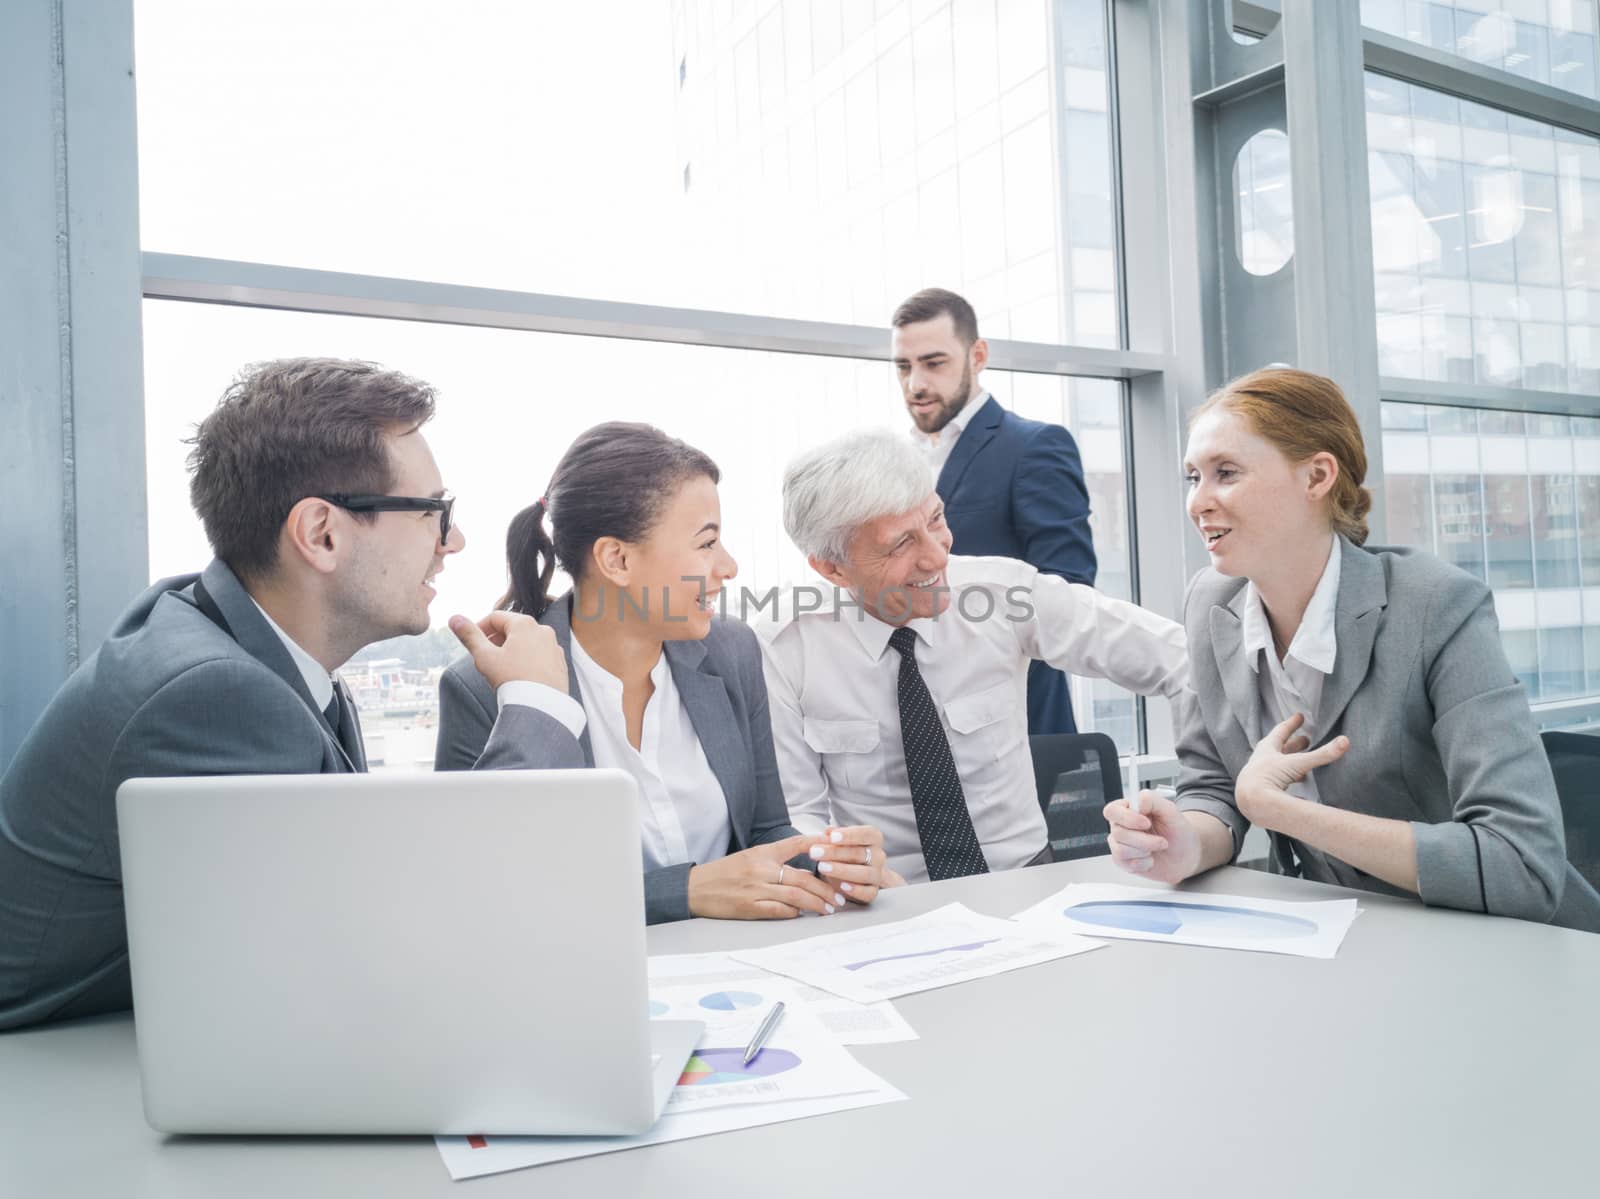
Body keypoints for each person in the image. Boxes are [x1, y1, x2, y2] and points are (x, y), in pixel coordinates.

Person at [0, 358, 572, 1031]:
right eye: (432, 512)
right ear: (321, 534)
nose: (454, 541)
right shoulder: (214, 695)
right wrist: (535, 705)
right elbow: (408, 950)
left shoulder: (239, 641)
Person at [1104, 367, 1600, 931]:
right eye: (1193, 477)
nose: (1199, 502)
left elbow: (1521, 864)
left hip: (1502, 946)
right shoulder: (1208, 604)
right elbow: (1216, 785)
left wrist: (1281, 811)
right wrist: (1185, 840)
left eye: (1226, 473)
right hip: (1342, 938)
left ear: (1316, 476)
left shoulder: (1437, 607)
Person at [435, 422, 891, 924]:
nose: (730, 566)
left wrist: (826, 861)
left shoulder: (733, 651)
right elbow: (494, 896)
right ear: (618, 558)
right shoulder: (486, 690)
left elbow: (766, 832)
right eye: (706, 543)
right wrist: (684, 891)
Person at [759, 428, 1188, 885]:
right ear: (831, 567)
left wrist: (1208, 797)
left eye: (936, 520)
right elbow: (795, 813)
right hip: (885, 898)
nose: (937, 557)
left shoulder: (1004, 593)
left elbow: (1181, 660)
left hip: (1024, 880)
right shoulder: (786, 647)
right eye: (901, 544)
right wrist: (842, 866)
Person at [891, 287, 1096, 737]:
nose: (916, 384)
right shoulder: (893, 462)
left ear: (977, 355)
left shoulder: (1033, 446)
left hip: (1017, 725)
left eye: (934, 363)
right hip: (914, 722)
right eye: (903, 367)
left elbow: (1069, 590)